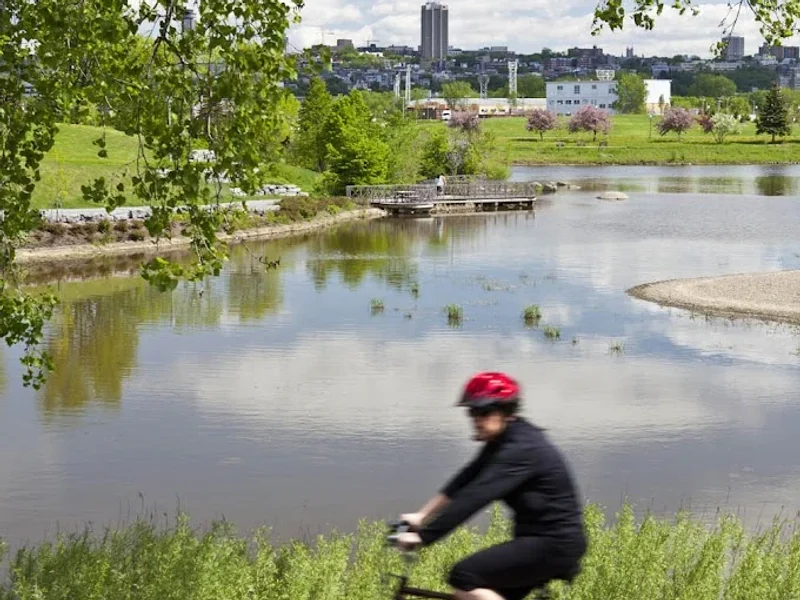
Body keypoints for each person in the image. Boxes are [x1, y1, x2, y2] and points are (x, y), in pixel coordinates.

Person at [396, 372, 587, 600]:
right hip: (541, 541)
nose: (476, 419)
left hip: (553, 544)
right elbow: (466, 479)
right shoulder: (504, 439)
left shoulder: (521, 449)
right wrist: (421, 516)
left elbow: (475, 496)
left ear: (505, 411)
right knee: (482, 593)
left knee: (465, 576)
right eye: (472, 412)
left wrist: (424, 536)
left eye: (484, 412)